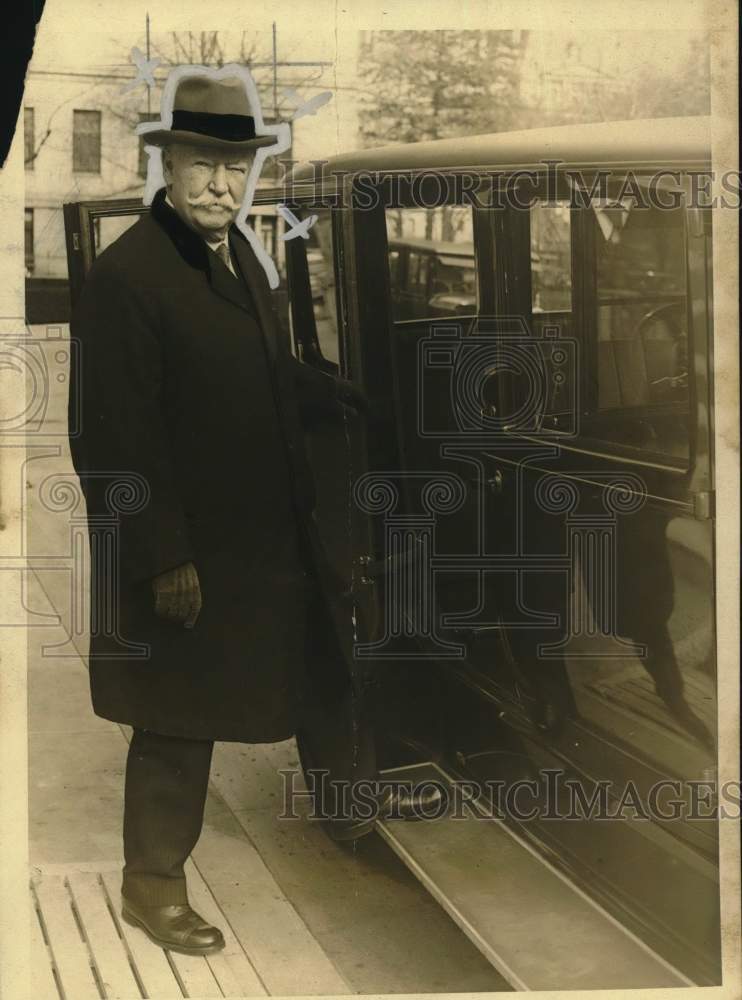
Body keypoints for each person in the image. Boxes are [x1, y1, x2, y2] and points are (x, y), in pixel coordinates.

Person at [68, 71, 435, 958]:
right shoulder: (130, 277)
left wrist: (336, 396)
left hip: (269, 534)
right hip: (191, 548)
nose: (222, 186)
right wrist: (162, 558)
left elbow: (262, 368)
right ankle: (150, 886)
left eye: (237, 168)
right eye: (203, 165)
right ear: (167, 163)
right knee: (175, 717)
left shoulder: (241, 256)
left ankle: (348, 799)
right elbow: (110, 438)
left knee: (319, 662)